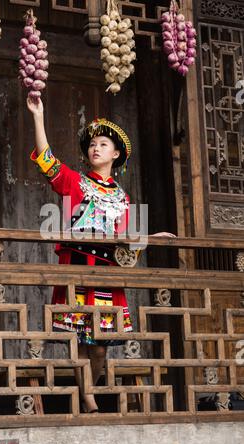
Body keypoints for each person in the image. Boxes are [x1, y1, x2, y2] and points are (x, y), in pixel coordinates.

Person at [27, 97, 175, 412]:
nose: (95, 148)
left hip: (107, 275)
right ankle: (89, 398)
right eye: (92, 144)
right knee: (81, 341)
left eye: (103, 144)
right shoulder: (75, 182)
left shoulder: (123, 196)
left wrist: (151, 236)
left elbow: (127, 238)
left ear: (116, 153)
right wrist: (39, 116)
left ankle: (88, 392)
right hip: (78, 269)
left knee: (100, 346)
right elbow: (46, 158)